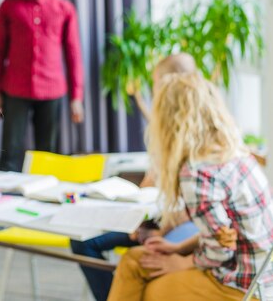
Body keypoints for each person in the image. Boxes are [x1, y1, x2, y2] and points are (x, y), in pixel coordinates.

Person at [107, 73, 273, 300]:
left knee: (149, 288)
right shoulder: (235, 152)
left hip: (241, 286)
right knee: (134, 261)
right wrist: (178, 249)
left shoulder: (197, 172)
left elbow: (222, 247)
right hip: (261, 277)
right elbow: (223, 233)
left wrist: (183, 261)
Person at [70, 52, 200, 301]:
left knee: (138, 255)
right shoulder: (163, 127)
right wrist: (137, 214)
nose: (155, 91)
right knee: (83, 241)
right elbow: (151, 181)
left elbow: (197, 209)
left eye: (157, 83)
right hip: (156, 216)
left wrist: (158, 233)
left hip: (178, 224)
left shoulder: (195, 134)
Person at [0, 0, 84, 172]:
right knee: (10, 152)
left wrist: (76, 97)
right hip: (15, 90)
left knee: (47, 154)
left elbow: (73, 54)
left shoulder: (64, 8)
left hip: (52, 92)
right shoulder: (8, 6)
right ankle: (4, 199)